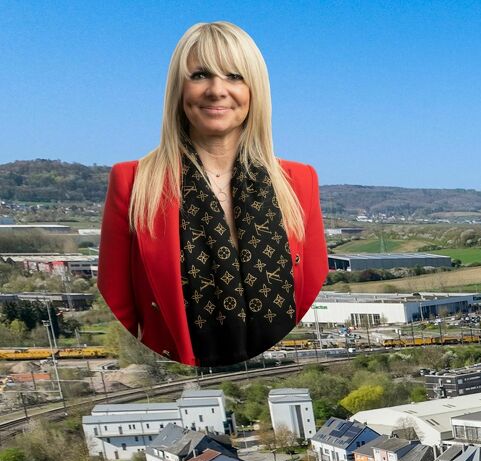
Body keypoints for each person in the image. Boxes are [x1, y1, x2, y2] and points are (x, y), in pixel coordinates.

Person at [98, 22, 325, 368]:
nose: (217, 90)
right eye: (200, 75)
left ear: (255, 90)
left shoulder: (299, 181)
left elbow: (309, 290)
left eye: (234, 76)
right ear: (178, 89)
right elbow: (117, 301)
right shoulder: (132, 182)